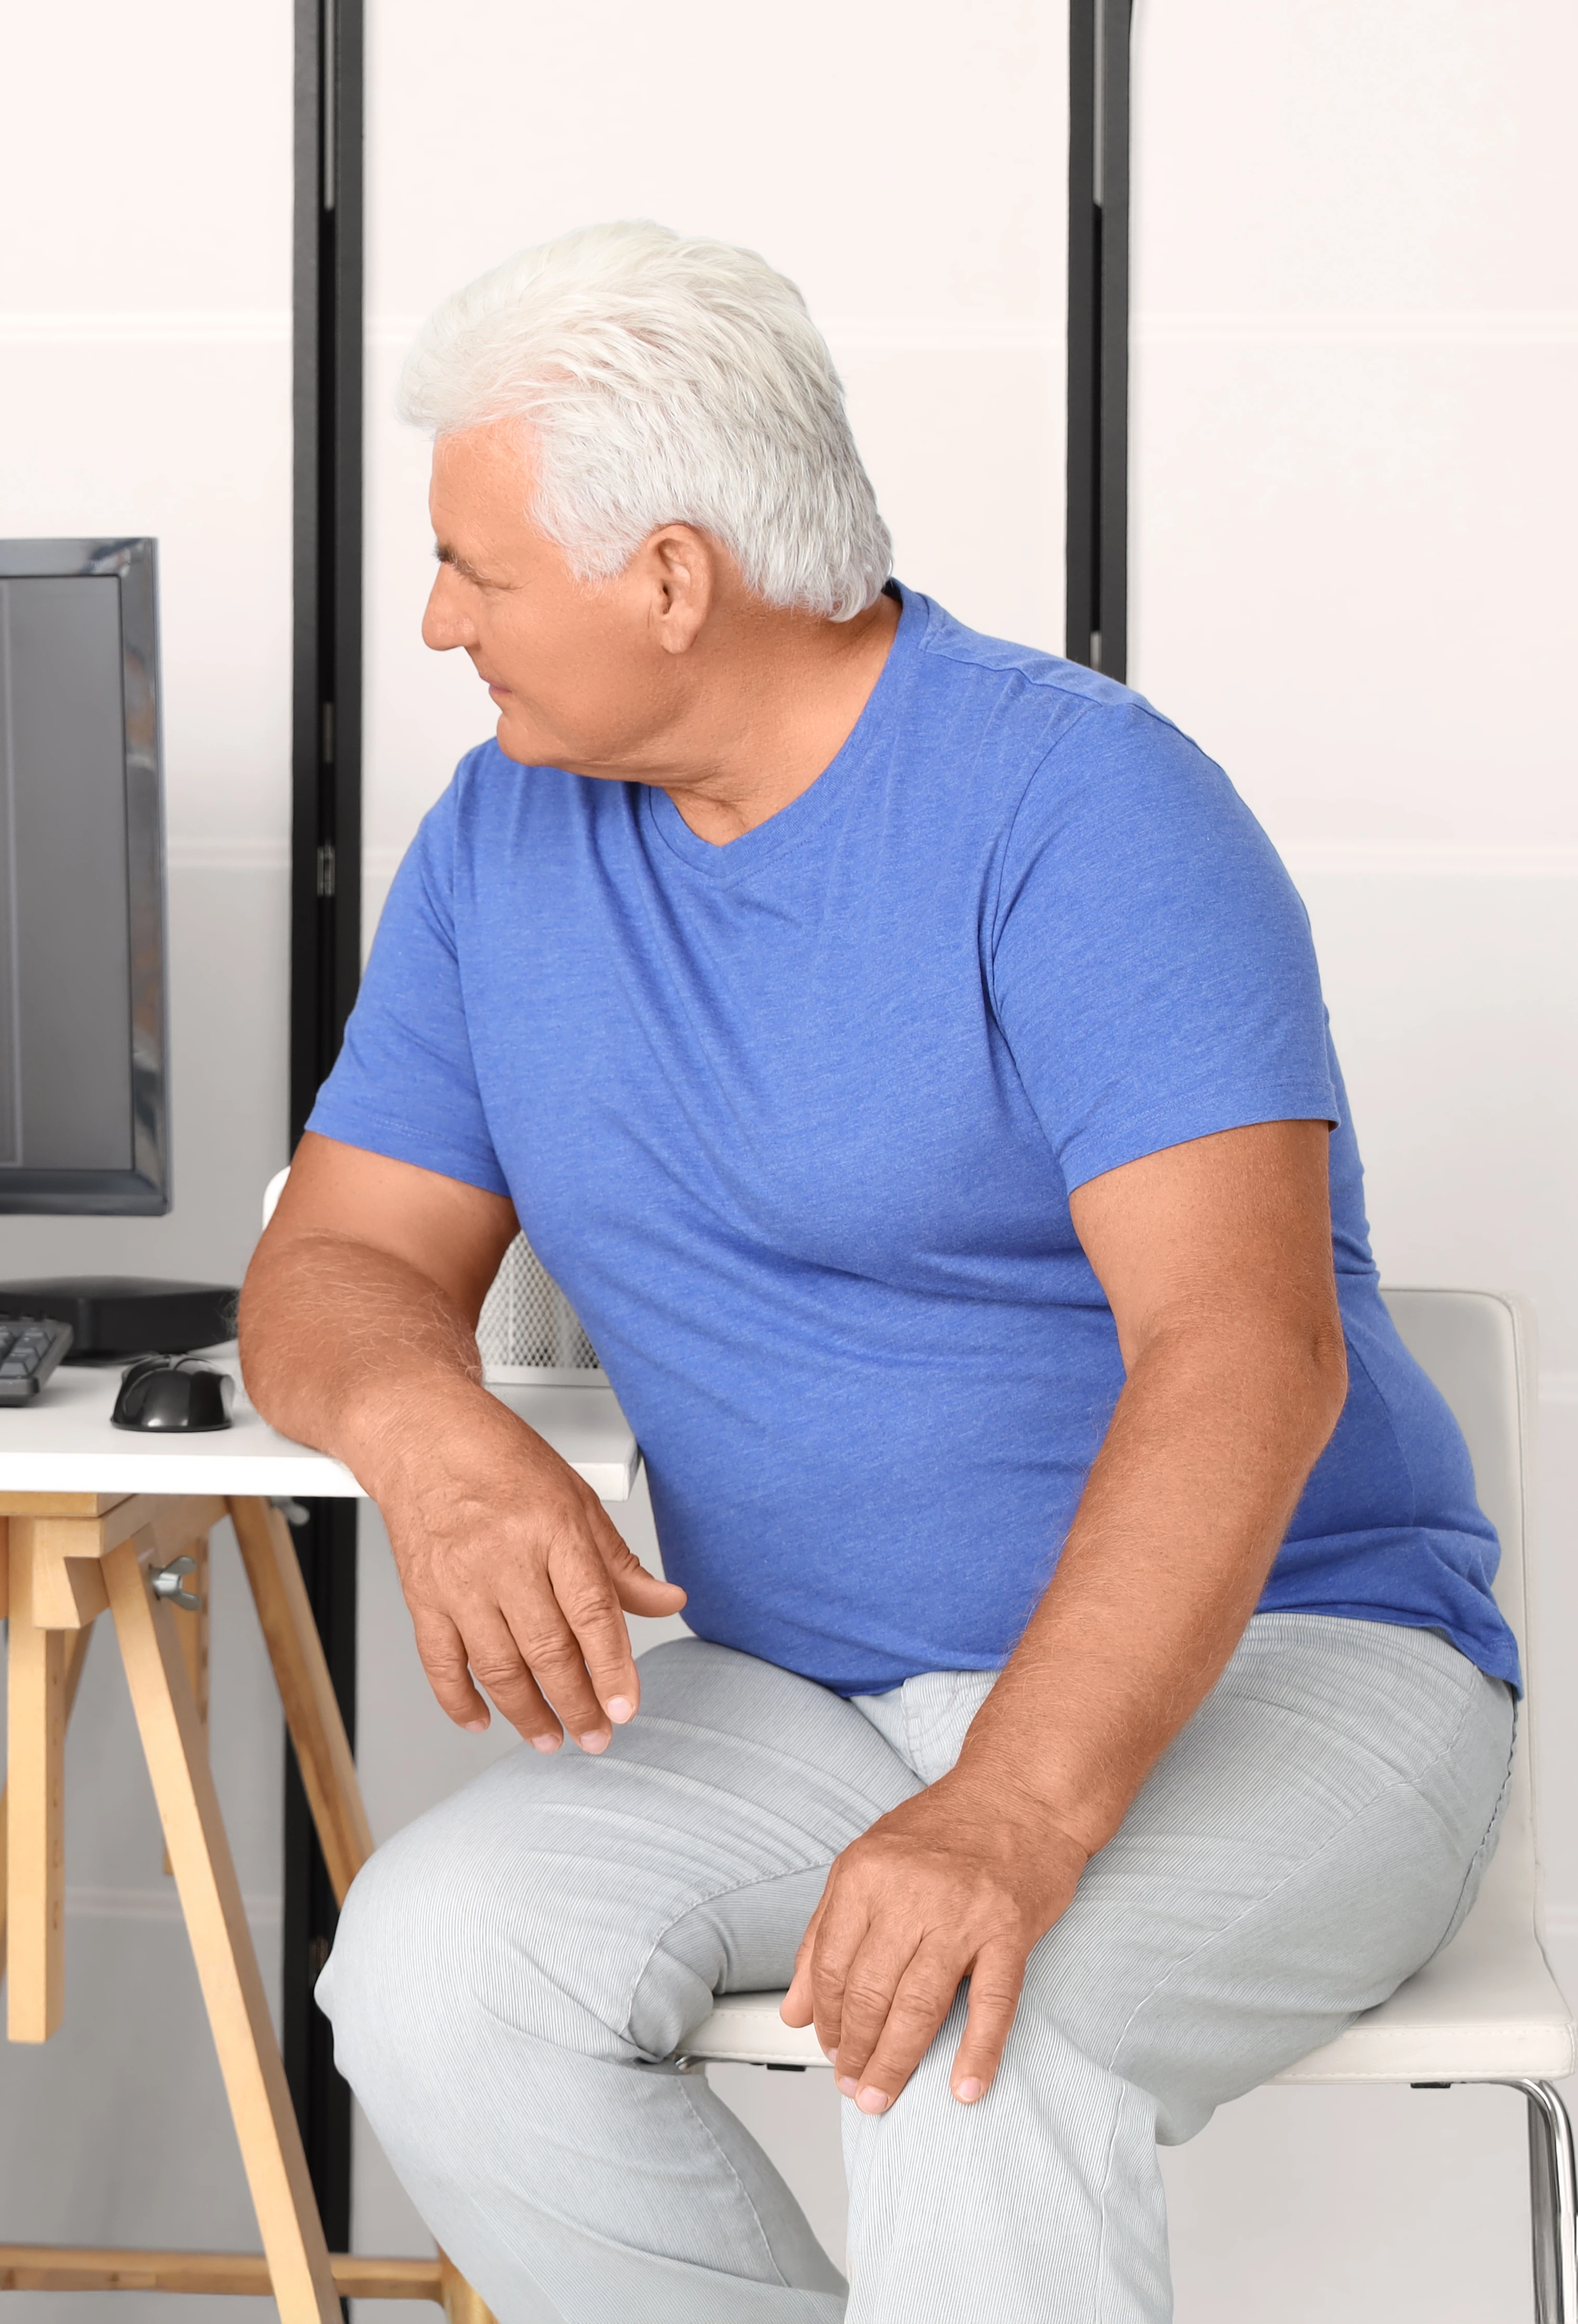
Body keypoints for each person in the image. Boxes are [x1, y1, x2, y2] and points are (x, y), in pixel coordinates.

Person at [239, 223, 1515, 2324]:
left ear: (672, 579)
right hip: (805, 1690)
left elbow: (1246, 1354)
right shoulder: (499, 841)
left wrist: (1013, 1803)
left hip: (1291, 1659)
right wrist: (427, 1431)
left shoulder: (1082, 808)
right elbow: (339, 1257)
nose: (439, 618)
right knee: (439, 1969)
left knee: (973, 2024)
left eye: (476, 568)